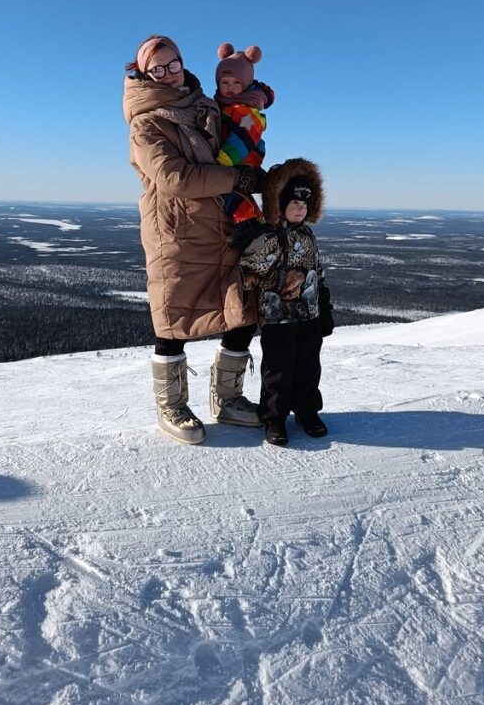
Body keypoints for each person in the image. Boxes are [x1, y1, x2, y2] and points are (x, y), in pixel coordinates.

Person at [122, 35, 265, 445]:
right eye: (158, 69)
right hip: (177, 229)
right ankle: (171, 406)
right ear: (145, 74)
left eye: (174, 64)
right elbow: (174, 177)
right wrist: (236, 179)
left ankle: (229, 400)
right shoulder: (146, 122)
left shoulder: (203, 104)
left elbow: (236, 127)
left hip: (224, 222)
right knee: (173, 317)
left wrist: (254, 100)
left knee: (240, 309)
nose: (169, 73)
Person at [239, 158, 335, 447]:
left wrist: (325, 307)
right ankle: (274, 418)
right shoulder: (269, 237)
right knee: (278, 371)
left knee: (308, 367)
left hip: (308, 316)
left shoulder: (307, 235)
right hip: (277, 318)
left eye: (305, 204)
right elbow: (248, 270)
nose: (300, 208)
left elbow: (317, 272)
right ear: (279, 204)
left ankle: (307, 412)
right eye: (294, 202)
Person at [213, 43, 275, 250]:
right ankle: (249, 222)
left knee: (225, 189)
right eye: (224, 82)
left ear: (245, 84)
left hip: (242, 159)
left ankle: (248, 222)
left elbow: (245, 137)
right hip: (234, 159)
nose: (229, 87)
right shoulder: (226, 107)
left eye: (235, 82)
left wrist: (223, 159)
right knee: (226, 191)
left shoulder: (246, 109)